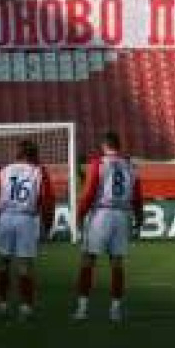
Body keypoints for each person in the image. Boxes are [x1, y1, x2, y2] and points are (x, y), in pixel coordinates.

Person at [74, 131, 143, 323]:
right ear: (118, 146)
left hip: (102, 214)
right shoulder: (131, 165)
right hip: (122, 215)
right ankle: (115, 309)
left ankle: (82, 308)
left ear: (104, 146)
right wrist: (139, 218)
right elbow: (137, 196)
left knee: (88, 260)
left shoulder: (99, 163)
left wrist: (79, 215)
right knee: (117, 263)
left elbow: (88, 192)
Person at [0, 140, 56, 322]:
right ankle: (25, 308)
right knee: (25, 265)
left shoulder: (4, 170)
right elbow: (47, 200)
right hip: (25, 219)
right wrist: (47, 225)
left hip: (5, 216)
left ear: (19, 154)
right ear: (34, 154)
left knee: (3, 262)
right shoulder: (39, 171)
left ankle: (2, 305)